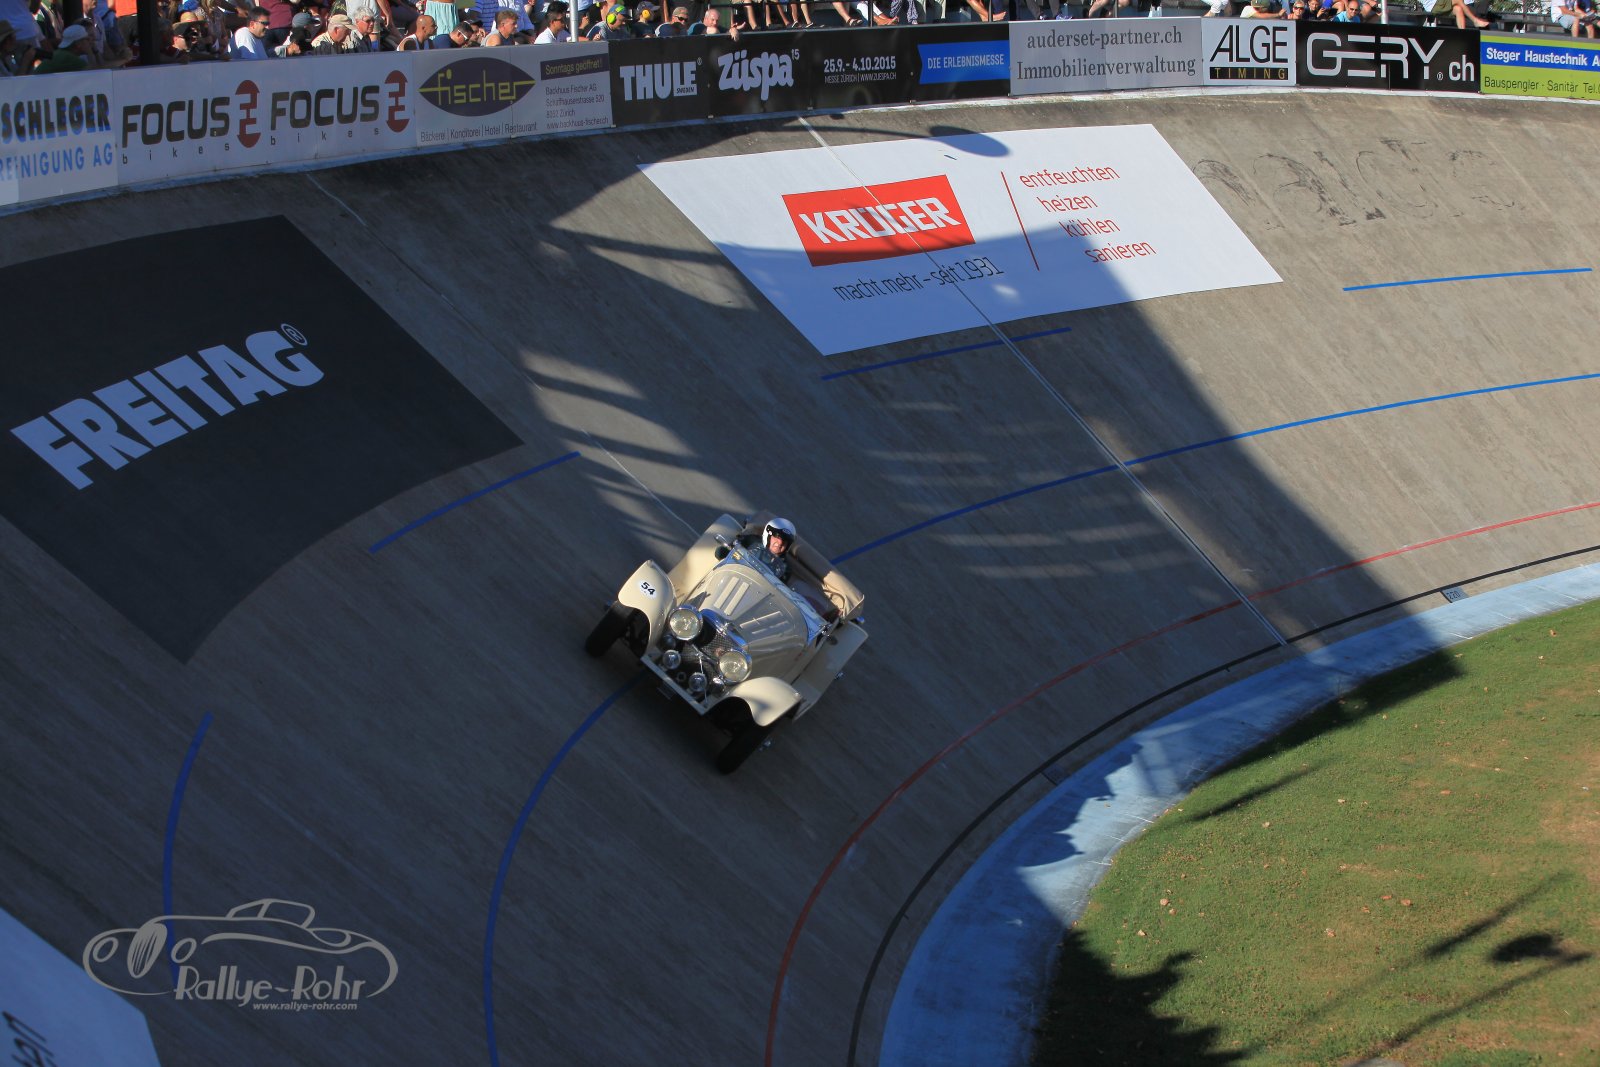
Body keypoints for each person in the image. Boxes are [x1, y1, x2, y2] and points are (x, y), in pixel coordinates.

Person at [738, 517, 797, 584]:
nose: (780, 543)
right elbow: (733, 550)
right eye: (777, 537)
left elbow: (778, 588)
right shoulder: (749, 542)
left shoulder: (785, 568)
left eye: (785, 541)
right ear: (768, 535)